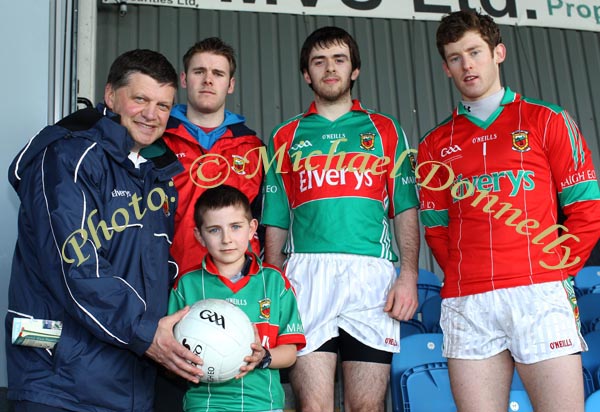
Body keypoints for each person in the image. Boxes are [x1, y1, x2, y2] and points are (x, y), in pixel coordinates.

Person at [417, 10, 600, 412]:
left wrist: (554, 269)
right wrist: (468, 273)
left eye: (475, 52)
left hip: (540, 293)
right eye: (454, 57)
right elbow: (436, 228)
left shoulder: (546, 119)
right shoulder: (433, 144)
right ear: (446, 69)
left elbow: (586, 210)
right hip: (469, 301)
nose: (467, 65)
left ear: (498, 52)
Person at [5, 49, 204, 412]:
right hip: (59, 384)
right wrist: (147, 335)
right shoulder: (68, 158)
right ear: (111, 95)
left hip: (129, 383)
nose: (151, 114)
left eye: (163, 105)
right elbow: (75, 266)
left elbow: (158, 271)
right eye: (140, 99)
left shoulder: (155, 177)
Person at [262, 26, 420, 411]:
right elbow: (277, 217)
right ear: (306, 74)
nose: (329, 69)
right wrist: (271, 280)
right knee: (313, 407)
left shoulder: (385, 130)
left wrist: (410, 275)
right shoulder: (285, 135)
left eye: (339, 60)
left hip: (371, 278)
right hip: (306, 275)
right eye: (319, 62)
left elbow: (404, 208)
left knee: (365, 407)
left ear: (354, 70)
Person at [168, 185, 305, 411]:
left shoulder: (274, 282)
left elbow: (290, 353)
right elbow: (171, 353)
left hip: (262, 404)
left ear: (252, 228)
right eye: (214, 230)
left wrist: (264, 357)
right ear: (199, 236)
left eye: (235, 227)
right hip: (205, 405)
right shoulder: (187, 285)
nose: (226, 239)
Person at [163, 37, 264, 277]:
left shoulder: (254, 148)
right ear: (185, 80)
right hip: (171, 280)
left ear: (230, 85)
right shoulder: (157, 141)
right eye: (199, 71)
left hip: (239, 284)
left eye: (218, 73)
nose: (208, 80)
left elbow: (267, 223)